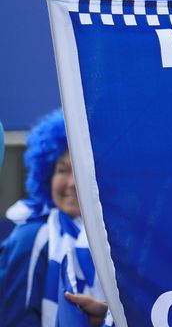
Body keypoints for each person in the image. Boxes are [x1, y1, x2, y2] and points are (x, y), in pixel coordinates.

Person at [0, 110, 108, 327]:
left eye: (82, 172)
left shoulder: (121, 241)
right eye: (62, 170)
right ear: (47, 175)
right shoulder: (31, 236)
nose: (71, 183)